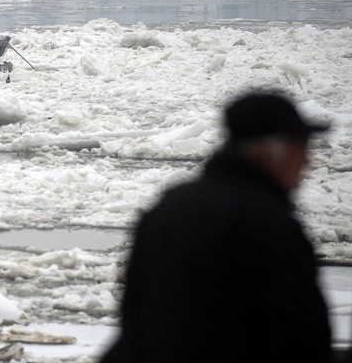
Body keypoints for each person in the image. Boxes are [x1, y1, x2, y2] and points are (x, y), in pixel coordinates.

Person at [101, 90, 332, 363]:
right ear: (263, 151)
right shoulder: (268, 225)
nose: (307, 161)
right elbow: (299, 337)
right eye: (299, 148)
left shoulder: (169, 207)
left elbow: (135, 322)